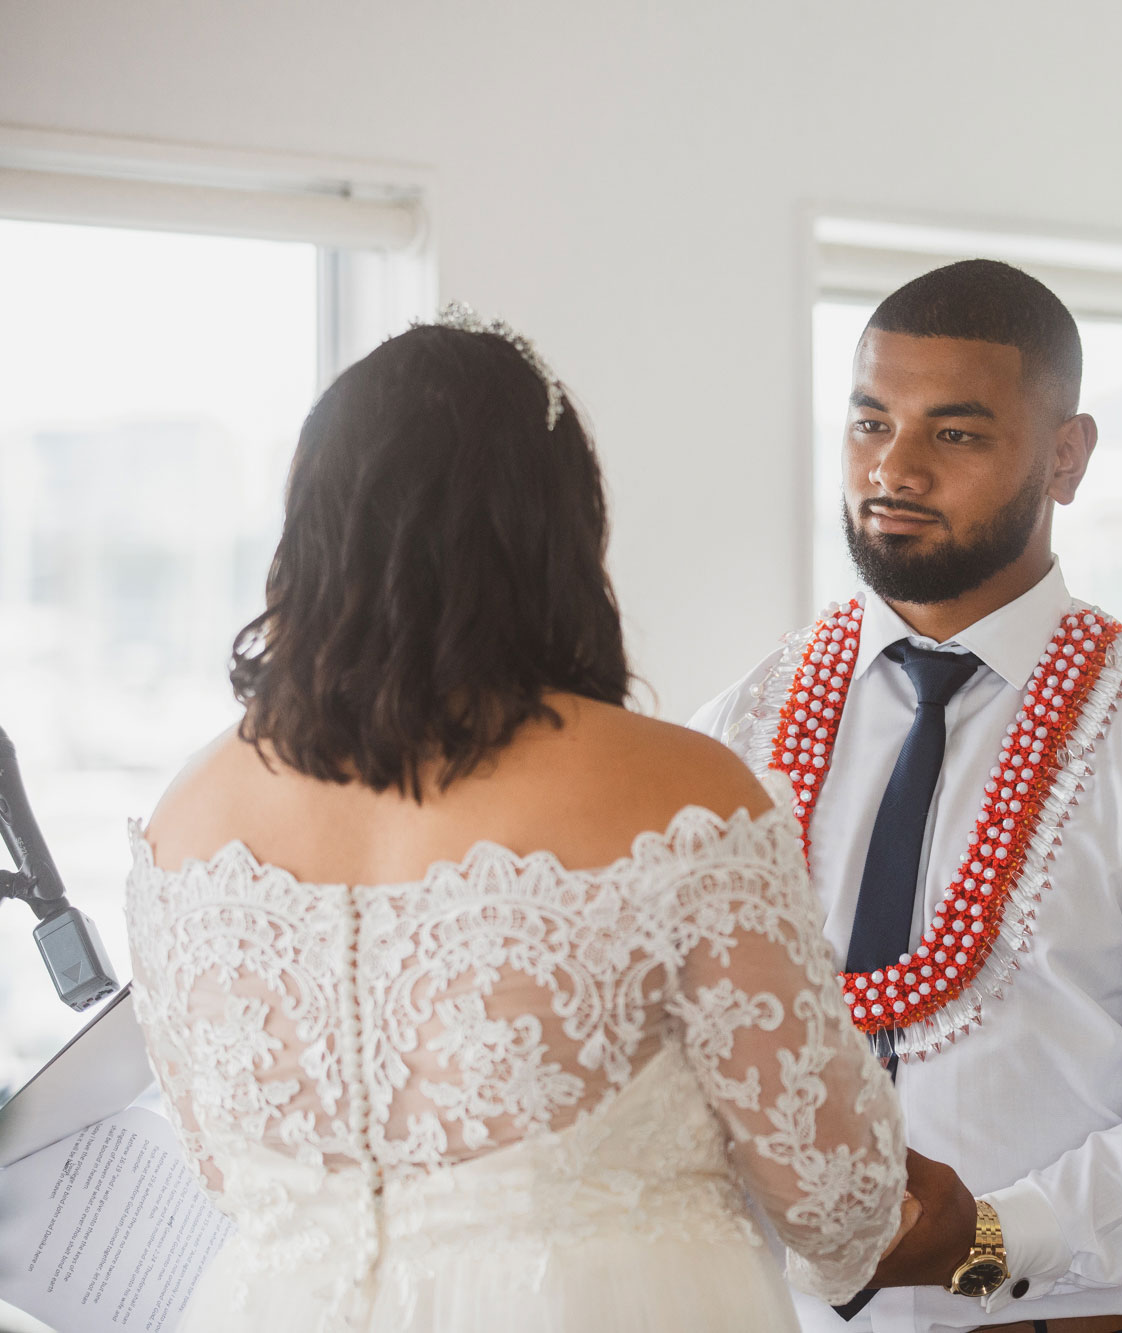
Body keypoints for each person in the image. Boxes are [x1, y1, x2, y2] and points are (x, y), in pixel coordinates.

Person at [125, 308, 910, 1333]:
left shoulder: (186, 820)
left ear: (309, 527)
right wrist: (988, 1248)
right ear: (555, 532)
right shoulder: (676, 799)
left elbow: (226, 1175)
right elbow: (838, 1205)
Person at [692, 259, 1122, 1333]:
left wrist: (993, 1238)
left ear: (1065, 457)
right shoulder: (738, 728)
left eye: (956, 433)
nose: (893, 468)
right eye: (868, 422)